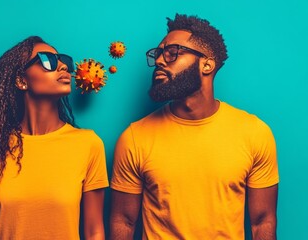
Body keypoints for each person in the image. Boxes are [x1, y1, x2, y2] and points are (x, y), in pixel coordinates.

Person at [110, 14, 279, 240]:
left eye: (172, 53)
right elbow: (123, 221)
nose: (160, 60)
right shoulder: (134, 137)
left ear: (207, 64)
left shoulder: (254, 133)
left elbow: (262, 222)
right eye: (159, 53)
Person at [0, 36, 108, 240]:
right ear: (22, 80)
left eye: (64, 62)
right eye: (48, 60)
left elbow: (94, 232)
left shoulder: (88, 144)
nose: (63, 67)